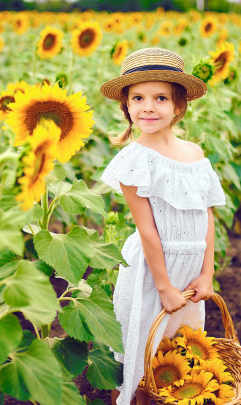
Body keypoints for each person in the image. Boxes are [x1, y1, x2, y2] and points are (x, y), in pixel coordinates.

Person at [99, 47, 227, 405]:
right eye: (138, 98)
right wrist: (164, 287)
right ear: (126, 106)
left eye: (160, 98)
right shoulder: (134, 161)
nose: (148, 107)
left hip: (189, 270)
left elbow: (206, 216)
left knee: (178, 355)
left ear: (178, 105)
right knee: (137, 356)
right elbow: (147, 230)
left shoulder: (195, 154)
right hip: (151, 273)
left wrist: (207, 273)